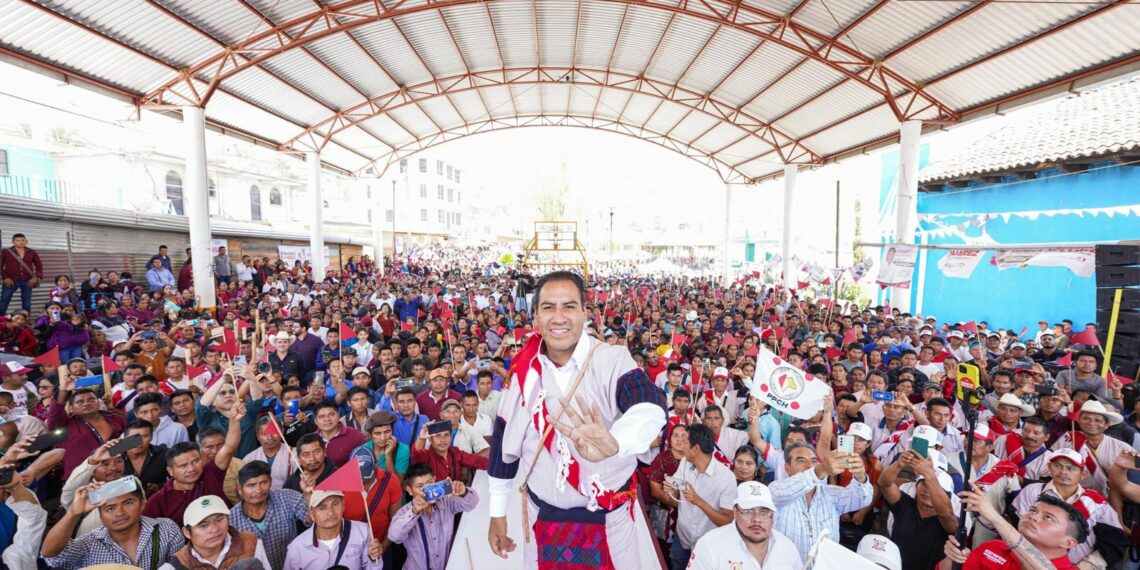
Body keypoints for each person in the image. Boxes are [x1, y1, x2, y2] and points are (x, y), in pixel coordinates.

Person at [487, 271, 667, 567]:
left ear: (585, 312)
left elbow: (647, 400)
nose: (559, 317)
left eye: (569, 306)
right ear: (535, 315)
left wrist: (617, 441)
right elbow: (502, 442)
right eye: (548, 307)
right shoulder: (524, 372)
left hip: (610, 524)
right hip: (541, 518)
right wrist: (497, 513)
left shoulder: (612, 359)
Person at [42, 476, 186, 569]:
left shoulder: (166, 529)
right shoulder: (88, 543)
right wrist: (73, 514)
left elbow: (180, 565)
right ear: (100, 514)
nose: (119, 513)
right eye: (110, 508)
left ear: (142, 504)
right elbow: (50, 554)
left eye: (128, 503)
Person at [1013, 449, 1125, 568]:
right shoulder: (1032, 491)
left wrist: (1085, 567)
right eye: (1057, 466)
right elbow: (1016, 526)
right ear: (1049, 467)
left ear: (1083, 474)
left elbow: (1114, 544)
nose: (1063, 472)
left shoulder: (1097, 503)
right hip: (1025, 560)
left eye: (1071, 468)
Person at [143, 399, 243, 524]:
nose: (191, 469)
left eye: (195, 461)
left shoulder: (211, 473)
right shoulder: (159, 500)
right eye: (183, 466)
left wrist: (234, 420)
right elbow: (147, 530)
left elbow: (229, 447)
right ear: (170, 471)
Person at [769, 441, 874, 560]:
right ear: (787, 468)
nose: (809, 465)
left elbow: (862, 499)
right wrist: (820, 469)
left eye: (814, 461)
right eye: (801, 460)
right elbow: (782, 493)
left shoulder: (831, 494)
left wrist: (860, 476)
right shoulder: (775, 489)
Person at [939, 490, 1087, 569]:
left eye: (1048, 518)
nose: (1034, 517)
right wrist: (954, 558)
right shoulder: (992, 548)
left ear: (1068, 543)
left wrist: (995, 518)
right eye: (1033, 510)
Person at [664, 423, 737, 569]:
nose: (681, 445)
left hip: (707, 547)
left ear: (696, 448)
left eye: (685, 441)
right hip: (682, 538)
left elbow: (727, 521)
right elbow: (676, 487)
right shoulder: (685, 462)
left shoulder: (726, 478)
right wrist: (671, 487)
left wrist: (699, 501)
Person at [686, 481, 803, 569]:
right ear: (735, 513)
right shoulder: (709, 546)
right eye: (748, 511)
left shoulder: (788, 548)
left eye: (764, 512)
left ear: (772, 516)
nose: (756, 519)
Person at [387, 462, 479, 570]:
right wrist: (414, 511)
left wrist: (464, 491)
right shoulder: (405, 511)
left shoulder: (446, 501)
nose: (426, 490)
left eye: (430, 483)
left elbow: (472, 503)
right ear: (410, 490)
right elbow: (394, 537)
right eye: (419, 486)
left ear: (435, 480)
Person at [878, 449, 958, 569]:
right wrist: (898, 465)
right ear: (916, 485)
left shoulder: (949, 522)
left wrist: (930, 476)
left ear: (947, 496)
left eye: (935, 488)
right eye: (923, 483)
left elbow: (946, 513)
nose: (926, 490)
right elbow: (884, 484)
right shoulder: (905, 505)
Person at [229, 461, 311, 570]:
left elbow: (312, 520)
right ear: (239, 489)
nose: (258, 490)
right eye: (251, 485)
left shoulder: (287, 497)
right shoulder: (231, 519)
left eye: (263, 482)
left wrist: (308, 494)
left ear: (271, 482)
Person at [161, 494, 272, 570]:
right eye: (204, 525)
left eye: (219, 520)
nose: (214, 529)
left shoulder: (251, 543)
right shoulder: (177, 564)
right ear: (187, 533)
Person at [283, 490, 383, 570]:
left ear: (343, 506)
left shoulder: (362, 532)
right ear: (312, 514)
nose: (330, 512)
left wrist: (374, 559)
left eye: (335, 504)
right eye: (322, 508)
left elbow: (374, 567)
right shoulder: (297, 548)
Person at [1050, 400, 1130, 495]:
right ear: (1079, 420)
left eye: (1098, 420)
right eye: (1086, 418)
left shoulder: (1121, 447)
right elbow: (1050, 462)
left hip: (1107, 499)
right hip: (1067, 493)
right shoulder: (1068, 438)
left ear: (1106, 425)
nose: (1091, 423)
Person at [49, 384, 127, 478]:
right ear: (71, 408)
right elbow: (55, 413)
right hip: (82, 479)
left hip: (118, 474)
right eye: (80, 402)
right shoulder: (64, 425)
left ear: (98, 402)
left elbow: (129, 443)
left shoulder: (117, 419)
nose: (86, 403)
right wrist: (63, 392)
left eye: (91, 399)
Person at [312, 401, 367, 467]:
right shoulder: (311, 439)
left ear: (338, 415)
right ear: (315, 421)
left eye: (331, 414)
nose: (327, 419)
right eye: (321, 416)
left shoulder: (355, 436)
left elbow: (365, 461)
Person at [0, 233, 44, 314]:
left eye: (23, 240)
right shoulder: (6, 252)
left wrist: (36, 277)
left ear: (26, 241)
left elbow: (39, 267)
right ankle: (1, 320)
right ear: (13, 242)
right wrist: (5, 277)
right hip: (11, 280)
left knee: (27, 302)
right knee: (4, 300)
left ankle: (25, 320)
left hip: (27, 280)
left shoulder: (32, 252)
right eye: (18, 240)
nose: (21, 242)